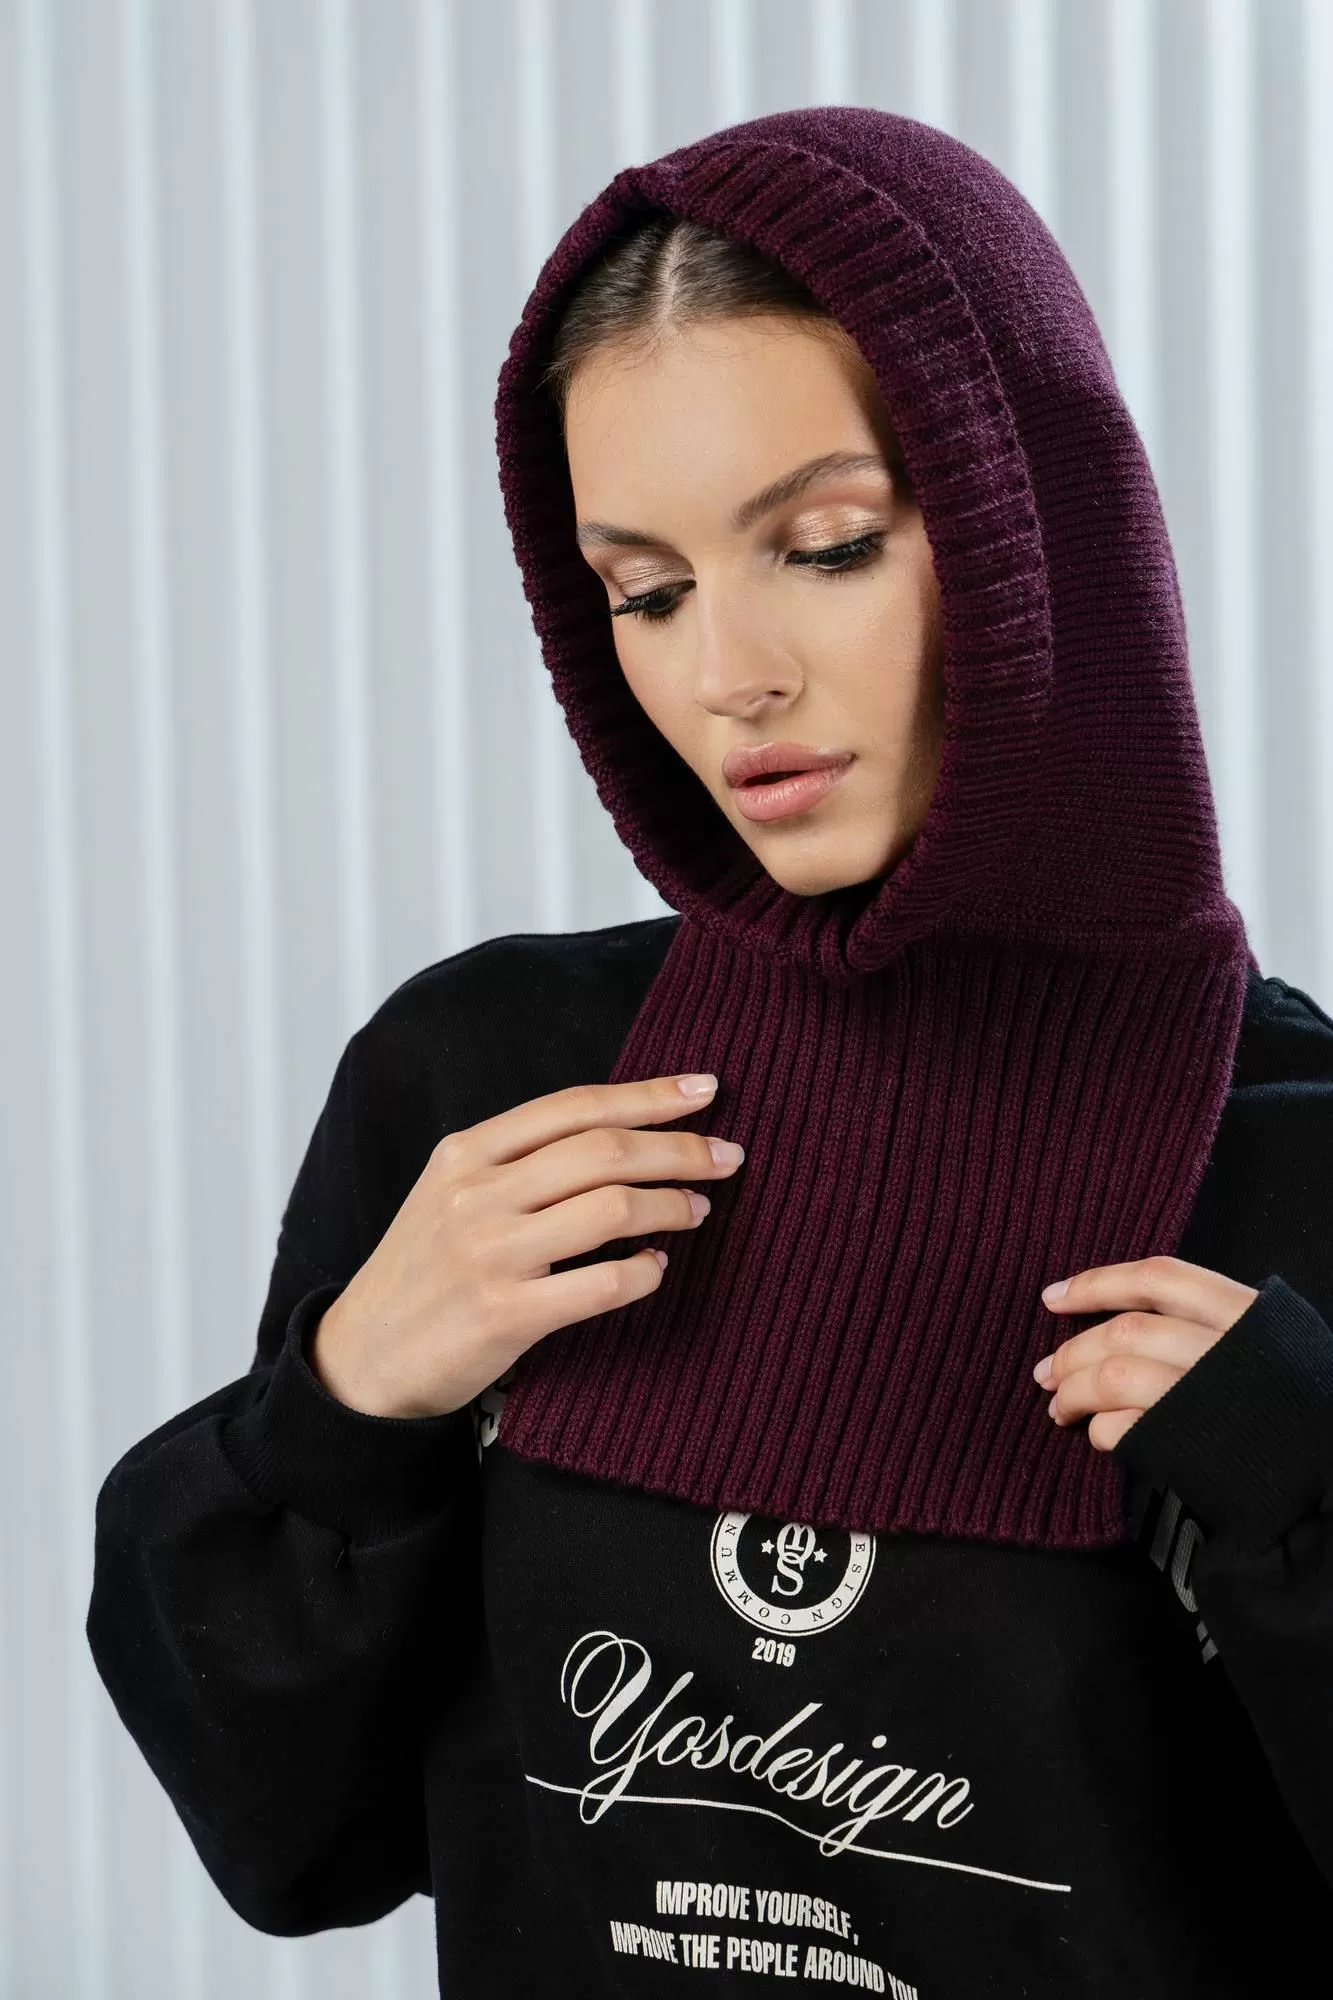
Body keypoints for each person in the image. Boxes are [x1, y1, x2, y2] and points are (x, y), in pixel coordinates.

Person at [87, 108, 1333, 1997]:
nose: (726, 673)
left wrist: (1303, 1487)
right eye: (647, 592)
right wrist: (344, 1402)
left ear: (1044, 532)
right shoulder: (495, 1092)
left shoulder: (1296, 1162)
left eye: (826, 547)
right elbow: (292, 1845)